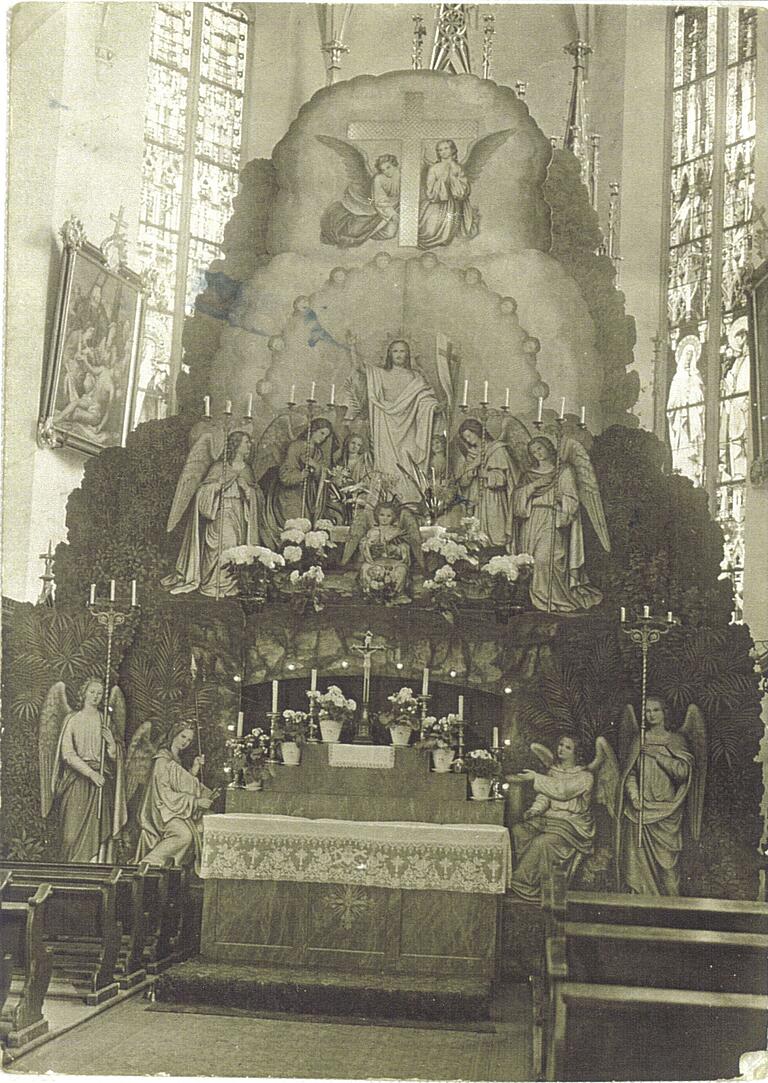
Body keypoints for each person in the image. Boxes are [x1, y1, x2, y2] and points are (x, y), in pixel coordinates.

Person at [164, 429, 264, 597]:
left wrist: (247, 490)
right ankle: (214, 584)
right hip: (221, 512)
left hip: (240, 513)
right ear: (236, 445)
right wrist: (218, 485)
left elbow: (258, 496)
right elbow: (201, 492)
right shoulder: (219, 467)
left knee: (237, 547)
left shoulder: (247, 469)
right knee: (223, 545)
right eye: (246, 442)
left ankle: (231, 586)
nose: (249, 445)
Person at [508, 436, 603, 612]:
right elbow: (516, 500)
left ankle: (551, 600)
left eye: (540, 449)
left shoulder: (563, 471)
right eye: (534, 451)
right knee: (530, 561)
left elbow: (573, 500)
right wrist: (534, 486)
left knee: (546, 559)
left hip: (551, 518)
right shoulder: (529, 474)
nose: (538, 454)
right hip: (531, 520)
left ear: (548, 448)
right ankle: (536, 602)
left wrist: (563, 499)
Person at [617, 697, 696, 896]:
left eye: (655, 710)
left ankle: (672, 913)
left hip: (666, 811)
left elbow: (683, 772)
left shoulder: (676, 740)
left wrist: (656, 755)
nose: (650, 715)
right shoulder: (639, 739)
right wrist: (634, 797)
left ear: (664, 713)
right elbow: (630, 773)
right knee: (637, 868)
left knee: (668, 869)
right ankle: (639, 913)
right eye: (647, 711)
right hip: (640, 811)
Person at [349, 336, 439, 505]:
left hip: (409, 426)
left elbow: (425, 398)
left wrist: (432, 407)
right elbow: (359, 368)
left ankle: (409, 503)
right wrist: (352, 347)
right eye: (395, 351)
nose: (399, 354)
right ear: (389, 354)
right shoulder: (381, 373)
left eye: (402, 351)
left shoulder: (415, 377)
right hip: (386, 426)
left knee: (408, 462)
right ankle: (386, 502)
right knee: (387, 465)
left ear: (408, 354)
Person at [508, 735, 596, 901]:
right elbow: (545, 796)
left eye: (567, 747)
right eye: (560, 744)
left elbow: (561, 791)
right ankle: (533, 882)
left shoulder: (585, 777)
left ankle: (523, 884)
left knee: (542, 843)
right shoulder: (553, 771)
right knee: (519, 831)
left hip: (572, 826)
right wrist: (535, 810)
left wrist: (536, 777)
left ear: (577, 753)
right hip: (551, 820)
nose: (561, 749)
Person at [52, 677, 127, 863]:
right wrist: (91, 773)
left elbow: (115, 758)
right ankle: (71, 873)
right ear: (84, 692)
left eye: (100, 693)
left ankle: (93, 872)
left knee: (98, 832)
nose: (95, 696)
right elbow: (67, 754)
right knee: (70, 835)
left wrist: (111, 744)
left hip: (101, 782)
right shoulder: (73, 719)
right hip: (77, 781)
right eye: (92, 692)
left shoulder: (105, 720)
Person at [135, 722, 217, 873]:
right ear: (174, 734)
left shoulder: (176, 759)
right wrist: (196, 802)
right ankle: (147, 866)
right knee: (184, 835)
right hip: (161, 811)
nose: (185, 742)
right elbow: (164, 793)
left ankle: (173, 871)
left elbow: (180, 785)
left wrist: (194, 769)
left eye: (189, 740)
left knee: (205, 824)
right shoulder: (162, 760)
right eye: (183, 736)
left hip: (175, 808)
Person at [262, 418, 334, 542]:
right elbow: (285, 475)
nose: (323, 438)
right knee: (293, 530)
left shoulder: (318, 452)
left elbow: (321, 477)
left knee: (305, 530)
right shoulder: (296, 446)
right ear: (313, 429)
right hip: (290, 496)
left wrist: (315, 466)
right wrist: (301, 475)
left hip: (307, 498)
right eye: (321, 433)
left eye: (325, 436)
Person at [455, 418, 514, 547]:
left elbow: (503, 479)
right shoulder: (470, 455)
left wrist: (486, 475)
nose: (468, 440)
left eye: (469, 436)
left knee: (496, 536)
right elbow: (462, 482)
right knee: (476, 537)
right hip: (476, 500)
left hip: (494, 499)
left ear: (477, 432)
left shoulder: (497, 449)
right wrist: (469, 475)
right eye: (466, 439)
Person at [321, 154, 401, 247]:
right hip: (377, 206)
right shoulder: (379, 179)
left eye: (388, 167)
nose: (386, 171)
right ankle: (363, 235)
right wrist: (392, 215)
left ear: (395, 165)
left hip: (397, 206)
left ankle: (368, 233)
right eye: (383, 170)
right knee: (356, 230)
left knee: (389, 233)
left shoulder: (404, 176)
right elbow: (379, 199)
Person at [418, 139, 477, 250]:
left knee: (449, 228)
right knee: (429, 229)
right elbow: (429, 187)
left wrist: (454, 182)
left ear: (452, 150)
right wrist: (441, 183)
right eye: (440, 150)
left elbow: (465, 186)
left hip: (453, 203)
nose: (443, 151)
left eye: (446, 148)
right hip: (437, 202)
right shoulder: (434, 168)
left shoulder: (457, 167)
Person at [359, 501, 412, 603]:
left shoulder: (397, 531)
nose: (384, 518)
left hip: (394, 562)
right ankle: (372, 594)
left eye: (388, 516)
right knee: (365, 568)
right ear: (376, 515)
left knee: (401, 571)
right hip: (376, 561)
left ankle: (396, 594)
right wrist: (370, 546)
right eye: (382, 515)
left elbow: (405, 547)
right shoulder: (372, 531)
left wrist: (396, 549)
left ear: (394, 517)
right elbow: (364, 545)